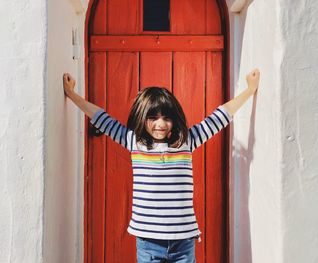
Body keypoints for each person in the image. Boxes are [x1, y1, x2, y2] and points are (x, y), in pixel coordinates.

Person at [63, 69, 260, 262]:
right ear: (143, 117)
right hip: (148, 243)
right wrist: (72, 94)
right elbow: (100, 117)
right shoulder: (134, 142)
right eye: (153, 117)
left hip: (183, 242)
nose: (160, 124)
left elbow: (220, 116)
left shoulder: (187, 142)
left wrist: (249, 90)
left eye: (167, 118)